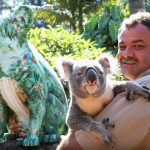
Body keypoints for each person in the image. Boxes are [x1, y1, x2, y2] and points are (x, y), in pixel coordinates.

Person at [56, 11, 150, 150]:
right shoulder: (129, 87)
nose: (127, 54)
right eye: (122, 47)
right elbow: (72, 119)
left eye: (138, 46)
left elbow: (72, 147)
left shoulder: (144, 87)